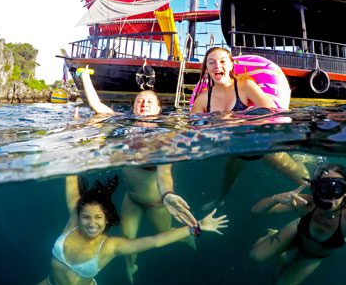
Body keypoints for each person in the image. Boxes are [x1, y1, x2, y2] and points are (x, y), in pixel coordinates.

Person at [158, 47, 309, 223]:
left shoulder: (245, 86)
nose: (217, 66)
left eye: (222, 61)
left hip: (259, 146)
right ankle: (221, 199)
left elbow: (274, 115)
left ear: (231, 65)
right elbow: (193, 132)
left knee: (302, 179)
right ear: (206, 69)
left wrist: (237, 120)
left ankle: (302, 162)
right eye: (211, 62)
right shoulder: (202, 100)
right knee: (227, 181)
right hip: (235, 151)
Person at [77, 68, 199, 283]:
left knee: (165, 232)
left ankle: (187, 238)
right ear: (132, 107)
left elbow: (164, 171)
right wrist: (85, 76)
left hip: (157, 203)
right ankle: (131, 266)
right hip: (131, 199)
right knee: (127, 239)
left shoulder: (164, 135)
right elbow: (97, 107)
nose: (143, 104)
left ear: (159, 109)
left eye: (149, 102)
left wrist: (167, 194)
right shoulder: (125, 125)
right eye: (139, 101)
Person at [38, 175, 227, 285]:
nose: (91, 223)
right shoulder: (74, 222)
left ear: (107, 219)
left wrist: (198, 227)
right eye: (86, 217)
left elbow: (155, 241)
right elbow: (71, 183)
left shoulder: (111, 246)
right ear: (79, 216)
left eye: (98, 217)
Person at [249, 163, 346, 285]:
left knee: (280, 283)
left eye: (337, 189)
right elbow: (256, 212)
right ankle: (276, 239)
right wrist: (275, 198)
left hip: (314, 254)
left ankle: (280, 252)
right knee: (255, 257)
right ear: (316, 190)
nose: (330, 196)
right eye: (324, 188)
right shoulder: (305, 203)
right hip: (296, 233)